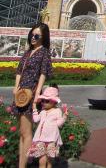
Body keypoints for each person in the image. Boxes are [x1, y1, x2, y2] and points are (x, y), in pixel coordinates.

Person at [12, 23, 53, 168]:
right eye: (31, 35)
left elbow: (43, 74)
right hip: (20, 94)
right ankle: (21, 164)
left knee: (26, 132)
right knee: (22, 133)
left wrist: (37, 94)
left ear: (43, 37)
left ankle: (23, 165)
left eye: (36, 36)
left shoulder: (44, 52)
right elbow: (19, 71)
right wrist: (16, 87)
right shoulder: (28, 52)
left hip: (31, 94)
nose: (33, 38)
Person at [27, 84, 67, 167]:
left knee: (49, 160)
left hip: (51, 139)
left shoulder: (57, 111)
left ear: (54, 101)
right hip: (40, 139)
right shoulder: (42, 111)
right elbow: (36, 119)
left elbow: (58, 124)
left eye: (47, 101)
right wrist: (34, 108)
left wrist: (64, 117)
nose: (44, 103)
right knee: (41, 160)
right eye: (43, 100)